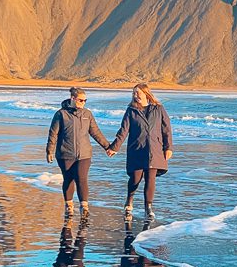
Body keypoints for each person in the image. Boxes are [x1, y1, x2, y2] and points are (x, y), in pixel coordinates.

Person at [108, 83, 173, 224]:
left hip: (155, 150)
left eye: (138, 93)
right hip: (136, 149)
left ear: (146, 94)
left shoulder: (159, 109)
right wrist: (115, 147)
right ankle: (129, 198)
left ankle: (148, 208)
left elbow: (166, 129)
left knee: (151, 178)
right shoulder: (131, 110)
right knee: (135, 179)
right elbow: (123, 131)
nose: (135, 96)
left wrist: (168, 148)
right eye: (134, 93)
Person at [46, 87, 111, 218]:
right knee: (68, 179)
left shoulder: (87, 114)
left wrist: (107, 147)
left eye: (85, 100)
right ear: (73, 99)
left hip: (84, 154)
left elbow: (95, 132)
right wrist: (49, 151)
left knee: (81, 178)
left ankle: (84, 207)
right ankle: (69, 206)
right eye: (81, 100)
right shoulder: (61, 114)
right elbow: (53, 133)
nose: (83, 103)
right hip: (65, 153)